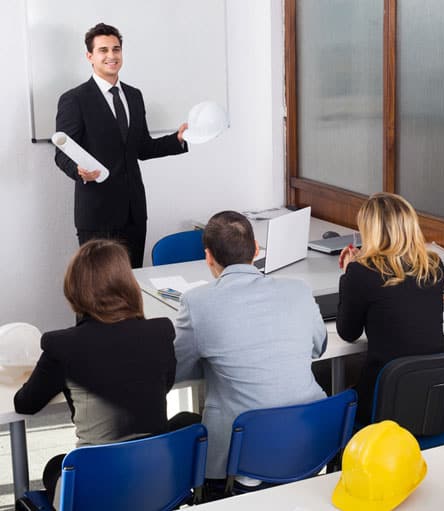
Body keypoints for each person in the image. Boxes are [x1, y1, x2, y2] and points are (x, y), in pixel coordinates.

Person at [14, 240, 176, 504]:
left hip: (99, 490)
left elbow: (26, 403)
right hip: (157, 483)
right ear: (128, 284)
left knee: (56, 467)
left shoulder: (62, 345)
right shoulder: (160, 332)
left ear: (74, 288)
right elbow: (165, 384)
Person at [171, 210, 327, 484]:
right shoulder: (299, 290)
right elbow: (319, 347)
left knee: (183, 423)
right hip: (311, 443)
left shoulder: (197, 303)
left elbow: (177, 371)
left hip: (243, 459)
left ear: (208, 256)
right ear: (256, 250)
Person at [55, 22, 189, 268]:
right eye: (103, 50)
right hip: (97, 215)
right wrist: (78, 170)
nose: (111, 56)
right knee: (96, 292)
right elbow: (61, 154)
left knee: (132, 285)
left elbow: (142, 148)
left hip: (134, 213)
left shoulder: (134, 95)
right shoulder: (75, 99)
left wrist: (177, 139)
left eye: (116, 49)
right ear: (90, 56)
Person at [337, 193, 444, 424]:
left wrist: (349, 273)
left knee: (338, 398)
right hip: (435, 396)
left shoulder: (360, 273)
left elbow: (348, 333)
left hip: (385, 400)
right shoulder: (435, 267)